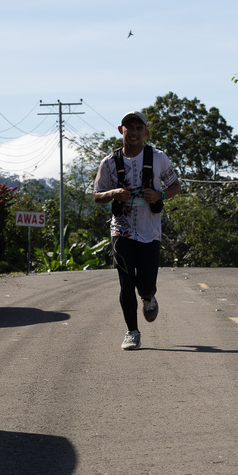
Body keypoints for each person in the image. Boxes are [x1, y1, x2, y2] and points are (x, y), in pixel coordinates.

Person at [93, 111, 180, 350]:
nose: (133, 132)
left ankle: (149, 297)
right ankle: (132, 332)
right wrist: (114, 193)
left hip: (149, 230)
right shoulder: (109, 162)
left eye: (138, 128)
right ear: (120, 130)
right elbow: (97, 195)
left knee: (145, 284)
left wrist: (160, 195)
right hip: (121, 230)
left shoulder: (158, 158)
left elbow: (175, 186)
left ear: (146, 132)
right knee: (126, 282)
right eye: (128, 127)